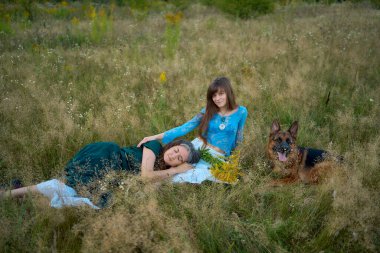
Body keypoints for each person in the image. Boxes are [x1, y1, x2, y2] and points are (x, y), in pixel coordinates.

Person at [0, 139, 200, 209]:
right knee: (69, 184)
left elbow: (148, 189)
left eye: (180, 159)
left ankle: (20, 194)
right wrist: (175, 171)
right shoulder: (154, 147)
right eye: (176, 151)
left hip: (111, 177)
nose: (174, 156)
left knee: (69, 190)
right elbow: (145, 176)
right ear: (171, 147)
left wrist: (172, 175)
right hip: (106, 156)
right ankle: (9, 194)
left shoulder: (163, 174)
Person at [138, 77, 248, 183]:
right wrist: (154, 137)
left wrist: (234, 161)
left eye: (221, 94)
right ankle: (149, 182)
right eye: (214, 95)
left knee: (203, 176)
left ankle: (151, 181)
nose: (217, 99)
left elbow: (239, 137)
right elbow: (184, 128)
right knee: (178, 174)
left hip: (218, 155)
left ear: (228, 92)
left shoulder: (241, 112)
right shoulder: (207, 111)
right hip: (197, 149)